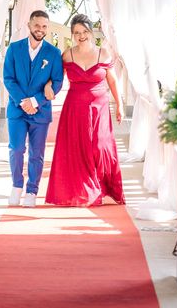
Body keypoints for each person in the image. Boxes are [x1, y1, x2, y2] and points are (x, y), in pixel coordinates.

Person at [45, 14, 125, 207]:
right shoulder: (67, 55)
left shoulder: (103, 54)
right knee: (77, 149)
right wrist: (48, 85)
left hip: (100, 107)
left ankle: (104, 186)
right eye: (77, 33)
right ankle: (85, 190)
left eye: (84, 32)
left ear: (91, 32)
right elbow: (56, 77)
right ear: (73, 35)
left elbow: (112, 80)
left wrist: (119, 104)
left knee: (101, 147)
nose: (81, 36)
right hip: (75, 108)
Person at [3, 10, 63, 208]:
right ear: (29, 25)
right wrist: (24, 102)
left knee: (37, 153)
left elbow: (57, 82)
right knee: (17, 149)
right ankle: (16, 185)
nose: (41, 30)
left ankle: (31, 190)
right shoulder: (14, 49)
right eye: (37, 25)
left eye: (44, 26)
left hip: (41, 111)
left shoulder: (53, 53)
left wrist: (35, 102)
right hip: (17, 110)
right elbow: (8, 79)